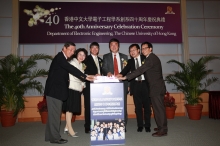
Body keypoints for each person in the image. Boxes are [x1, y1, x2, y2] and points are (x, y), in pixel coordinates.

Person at [44, 42, 94, 144]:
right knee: (55, 116)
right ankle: (55, 138)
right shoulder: (60, 57)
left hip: (56, 91)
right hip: (54, 91)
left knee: (52, 116)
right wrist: (85, 77)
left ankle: (49, 136)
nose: (72, 52)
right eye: (70, 49)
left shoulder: (63, 58)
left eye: (73, 50)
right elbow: (71, 69)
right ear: (64, 48)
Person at [117, 42, 167, 137]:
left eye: (145, 48)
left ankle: (162, 129)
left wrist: (126, 77)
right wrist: (120, 75)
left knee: (158, 109)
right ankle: (161, 126)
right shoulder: (150, 58)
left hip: (155, 87)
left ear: (150, 49)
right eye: (142, 48)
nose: (144, 50)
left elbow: (140, 70)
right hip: (153, 87)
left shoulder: (150, 59)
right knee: (158, 109)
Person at [117, 44, 151, 132]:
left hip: (145, 84)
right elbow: (124, 71)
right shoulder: (130, 61)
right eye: (130, 51)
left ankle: (147, 125)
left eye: (134, 50)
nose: (132, 52)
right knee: (138, 106)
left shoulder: (146, 58)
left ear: (138, 50)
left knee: (147, 106)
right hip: (135, 85)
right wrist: (117, 76)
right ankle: (140, 125)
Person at [102, 38, 128, 129]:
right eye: (111, 45)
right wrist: (107, 72)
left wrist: (128, 85)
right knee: (112, 105)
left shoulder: (125, 57)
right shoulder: (106, 57)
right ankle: (112, 124)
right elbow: (104, 68)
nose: (113, 46)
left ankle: (123, 125)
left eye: (115, 44)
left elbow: (128, 71)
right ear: (109, 47)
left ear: (119, 46)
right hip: (111, 84)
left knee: (123, 104)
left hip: (123, 83)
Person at [62, 48, 88, 138]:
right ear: (76, 54)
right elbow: (76, 76)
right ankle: (70, 129)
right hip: (71, 88)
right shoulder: (73, 62)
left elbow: (82, 76)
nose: (81, 56)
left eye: (83, 55)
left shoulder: (81, 64)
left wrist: (83, 84)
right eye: (80, 54)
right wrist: (86, 78)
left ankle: (66, 127)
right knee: (69, 110)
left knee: (71, 109)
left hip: (77, 89)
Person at [83, 42, 103, 133]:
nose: (95, 49)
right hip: (89, 86)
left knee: (97, 106)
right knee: (88, 106)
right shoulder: (86, 59)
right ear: (90, 49)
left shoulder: (100, 60)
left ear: (98, 49)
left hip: (99, 87)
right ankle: (87, 126)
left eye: (97, 48)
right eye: (93, 48)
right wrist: (94, 75)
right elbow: (84, 72)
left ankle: (96, 124)